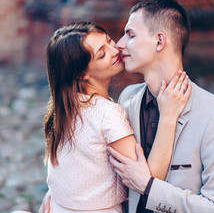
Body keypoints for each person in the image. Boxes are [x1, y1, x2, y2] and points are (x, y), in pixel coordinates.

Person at [39, 21, 191, 213]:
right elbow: (147, 179)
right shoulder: (107, 113)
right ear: (82, 74)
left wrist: (54, 194)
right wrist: (169, 116)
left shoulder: (62, 108)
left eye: (109, 40)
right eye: (102, 54)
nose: (115, 50)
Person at [107, 0, 214, 212]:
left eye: (130, 35)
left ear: (159, 41)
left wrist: (149, 187)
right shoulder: (127, 99)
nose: (119, 44)